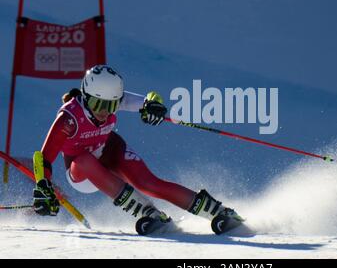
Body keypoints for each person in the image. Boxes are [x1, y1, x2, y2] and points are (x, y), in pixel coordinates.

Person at [32, 65, 242, 234]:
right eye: (98, 105)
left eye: (112, 105)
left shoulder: (110, 100)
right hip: (81, 174)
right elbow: (43, 157)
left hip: (108, 148)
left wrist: (153, 106)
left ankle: (218, 211)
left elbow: (147, 99)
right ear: (86, 97)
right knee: (84, 160)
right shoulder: (68, 118)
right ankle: (146, 211)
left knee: (148, 183)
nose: (104, 112)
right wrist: (43, 186)